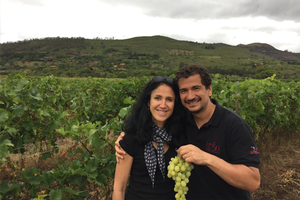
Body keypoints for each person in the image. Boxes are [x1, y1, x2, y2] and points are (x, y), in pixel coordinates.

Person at [115, 64, 261, 200]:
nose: (190, 96)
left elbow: (253, 183)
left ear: (209, 89)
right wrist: (123, 142)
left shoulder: (234, 125)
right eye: (184, 91)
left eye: (196, 88)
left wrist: (207, 158)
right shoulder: (181, 123)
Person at [112, 76, 185, 200]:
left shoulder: (181, 135)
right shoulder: (132, 138)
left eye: (169, 99)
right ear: (148, 101)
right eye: (157, 98)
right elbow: (119, 189)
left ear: (175, 104)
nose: (163, 105)